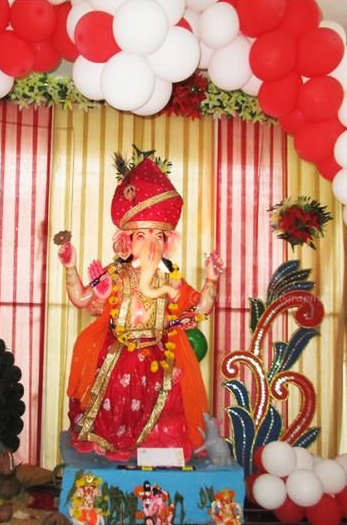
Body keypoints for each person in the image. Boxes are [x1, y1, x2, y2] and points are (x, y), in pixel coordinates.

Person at [57, 155, 224, 462]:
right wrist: (71, 266)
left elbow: (201, 307)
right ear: (126, 241)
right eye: (142, 235)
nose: (150, 243)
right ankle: (112, 441)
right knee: (118, 369)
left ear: (168, 241)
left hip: (158, 352)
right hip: (119, 349)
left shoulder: (170, 278)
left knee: (167, 379)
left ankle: (161, 445)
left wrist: (211, 277)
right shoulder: (115, 273)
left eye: (158, 236)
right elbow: (83, 299)